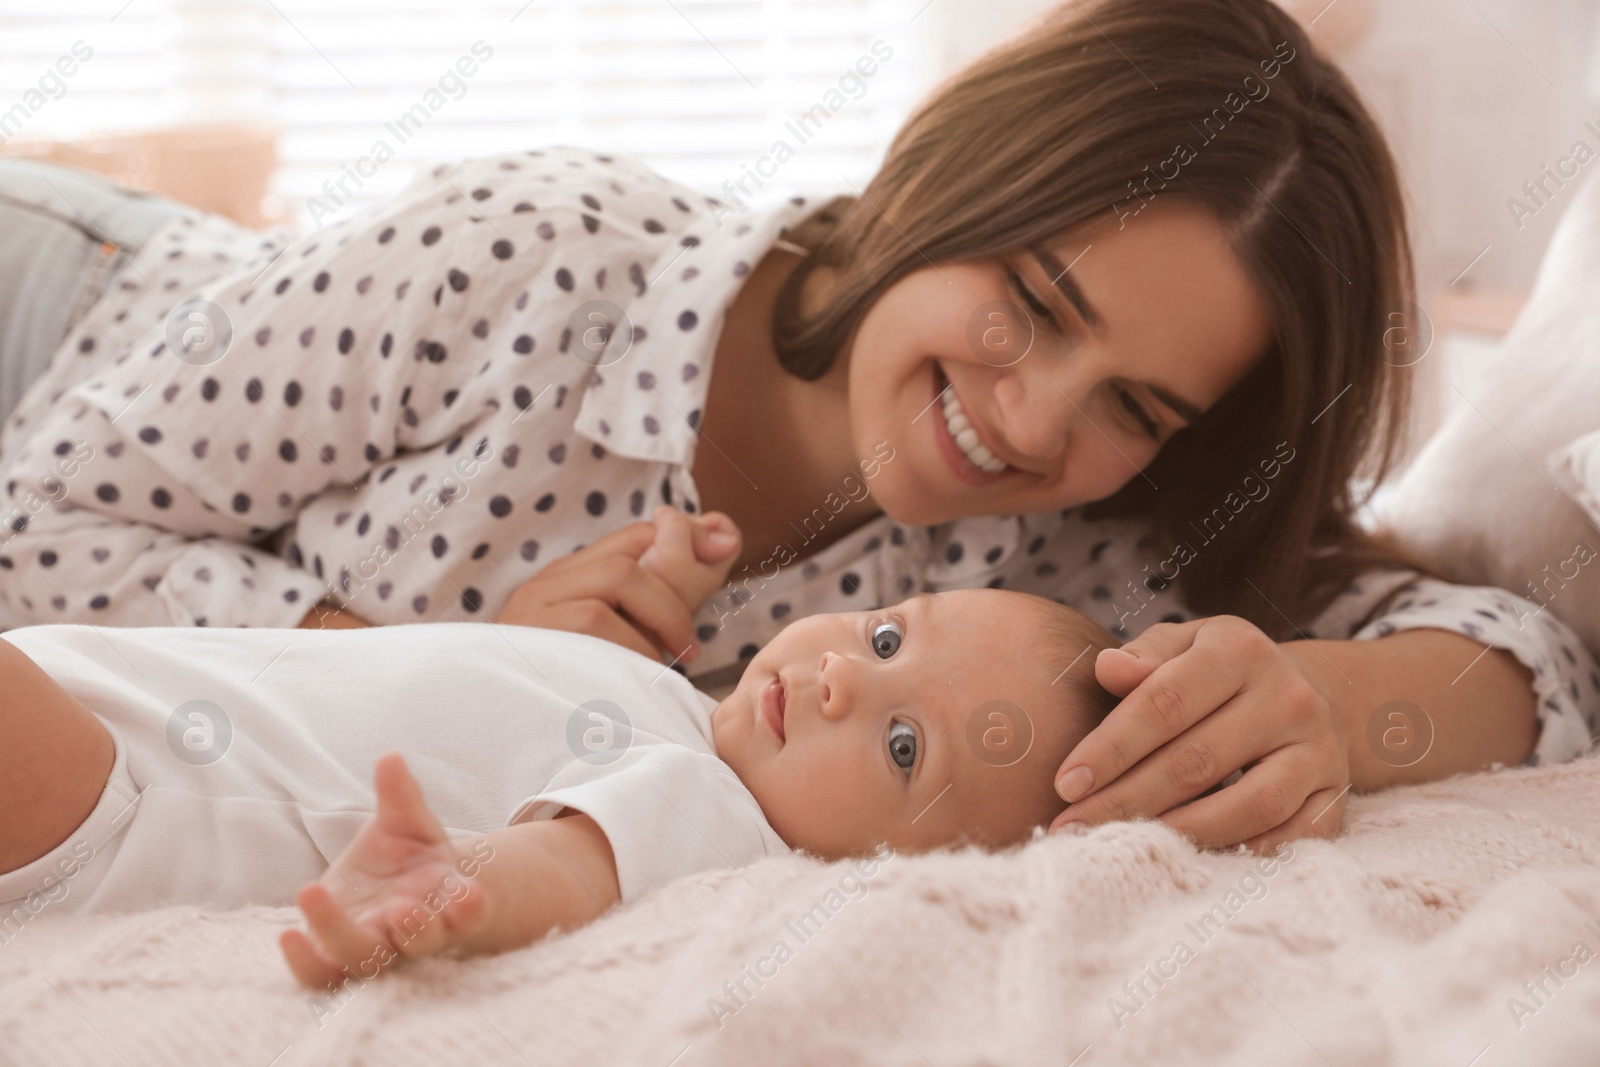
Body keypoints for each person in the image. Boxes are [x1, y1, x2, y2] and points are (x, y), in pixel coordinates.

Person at [0, 0, 1595, 855]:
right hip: (54, 304)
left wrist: (1310, 699)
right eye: (1031, 301)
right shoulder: (536, 254)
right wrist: (424, 648)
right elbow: (38, 528)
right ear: (944, 179)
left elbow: (1523, 652)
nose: (1030, 417)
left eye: (1135, 403)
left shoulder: (1082, 560)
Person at [0, 506, 1525, 991]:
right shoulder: (671, 701)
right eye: (883, 639)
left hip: (125, 799)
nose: (846, 685)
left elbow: (567, 861)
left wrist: (458, 883)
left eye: (908, 746)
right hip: (105, 684)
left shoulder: (717, 816)